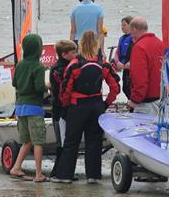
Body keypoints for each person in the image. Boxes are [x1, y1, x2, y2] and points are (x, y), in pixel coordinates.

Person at [56, 30, 120, 184]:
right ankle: (93, 176)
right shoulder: (103, 64)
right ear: (97, 45)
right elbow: (115, 87)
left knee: (72, 141)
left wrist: (65, 107)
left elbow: (65, 90)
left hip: (77, 106)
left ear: (80, 45)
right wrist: (105, 104)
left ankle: (65, 176)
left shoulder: (74, 65)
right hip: (97, 105)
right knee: (94, 141)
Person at [7, 33, 48, 183]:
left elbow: (14, 84)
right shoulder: (39, 66)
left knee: (27, 141)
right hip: (34, 107)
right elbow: (39, 87)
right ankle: (38, 174)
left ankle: (16, 167)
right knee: (38, 141)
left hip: (20, 107)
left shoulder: (20, 64)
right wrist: (47, 87)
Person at [49, 39, 77, 180]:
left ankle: (62, 170)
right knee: (61, 142)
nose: (76, 54)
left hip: (67, 109)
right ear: (64, 54)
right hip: (59, 110)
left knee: (66, 141)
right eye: (73, 52)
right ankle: (57, 171)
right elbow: (61, 90)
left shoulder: (71, 66)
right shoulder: (58, 69)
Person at [126, 16, 164, 114]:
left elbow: (140, 79)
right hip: (163, 101)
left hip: (146, 104)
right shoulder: (161, 44)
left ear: (134, 29)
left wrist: (134, 100)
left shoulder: (139, 47)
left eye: (131, 32)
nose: (131, 36)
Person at [112, 16, 134, 98]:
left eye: (124, 25)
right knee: (125, 88)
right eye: (121, 25)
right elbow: (117, 52)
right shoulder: (122, 38)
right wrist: (117, 62)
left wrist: (130, 63)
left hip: (131, 67)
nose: (122, 27)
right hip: (123, 66)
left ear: (131, 25)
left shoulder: (134, 37)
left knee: (130, 88)